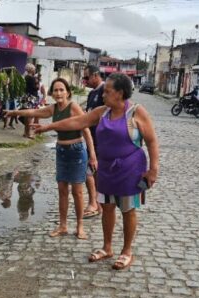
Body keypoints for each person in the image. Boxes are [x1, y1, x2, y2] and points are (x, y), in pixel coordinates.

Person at [32, 73, 160, 270]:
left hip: (130, 169)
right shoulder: (102, 112)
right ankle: (107, 247)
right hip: (106, 169)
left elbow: (151, 141)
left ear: (119, 93)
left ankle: (126, 251)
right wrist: (48, 127)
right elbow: (77, 122)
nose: (103, 95)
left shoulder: (136, 112)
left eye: (107, 91)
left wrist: (153, 170)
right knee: (107, 207)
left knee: (127, 210)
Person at [5, 78, 97, 239]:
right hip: (61, 151)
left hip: (76, 152)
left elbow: (86, 130)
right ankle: (62, 226)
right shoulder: (53, 109)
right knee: (62, 191)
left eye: (62, 90)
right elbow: (34, 112)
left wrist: (93, 156)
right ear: (52, 93)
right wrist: (14, 112)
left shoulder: (73, 107)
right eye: (55, 90)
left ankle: (80, 226)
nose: (59, 93)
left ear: (68, 92)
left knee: (77, 192)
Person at [82, 65, 104, 219]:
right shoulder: (91, 94)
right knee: (92, 172)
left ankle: (94, 203)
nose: (85, 81)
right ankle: (97, 203)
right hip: (91, 139)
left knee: (90, 172)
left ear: (96, 75)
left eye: (87, 77)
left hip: (101, 141)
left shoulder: (104, 92)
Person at [22, 63, 40, 138]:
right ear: (31, 69)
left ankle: (25, 132)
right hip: (32, 97)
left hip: (26, 96)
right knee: (30, 116)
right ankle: (28, 133)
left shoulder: (25, 77)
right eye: (34, 69)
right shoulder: (32, 78)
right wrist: (37, 83)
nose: (34, 70)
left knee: (27, 115)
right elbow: (36, 88)